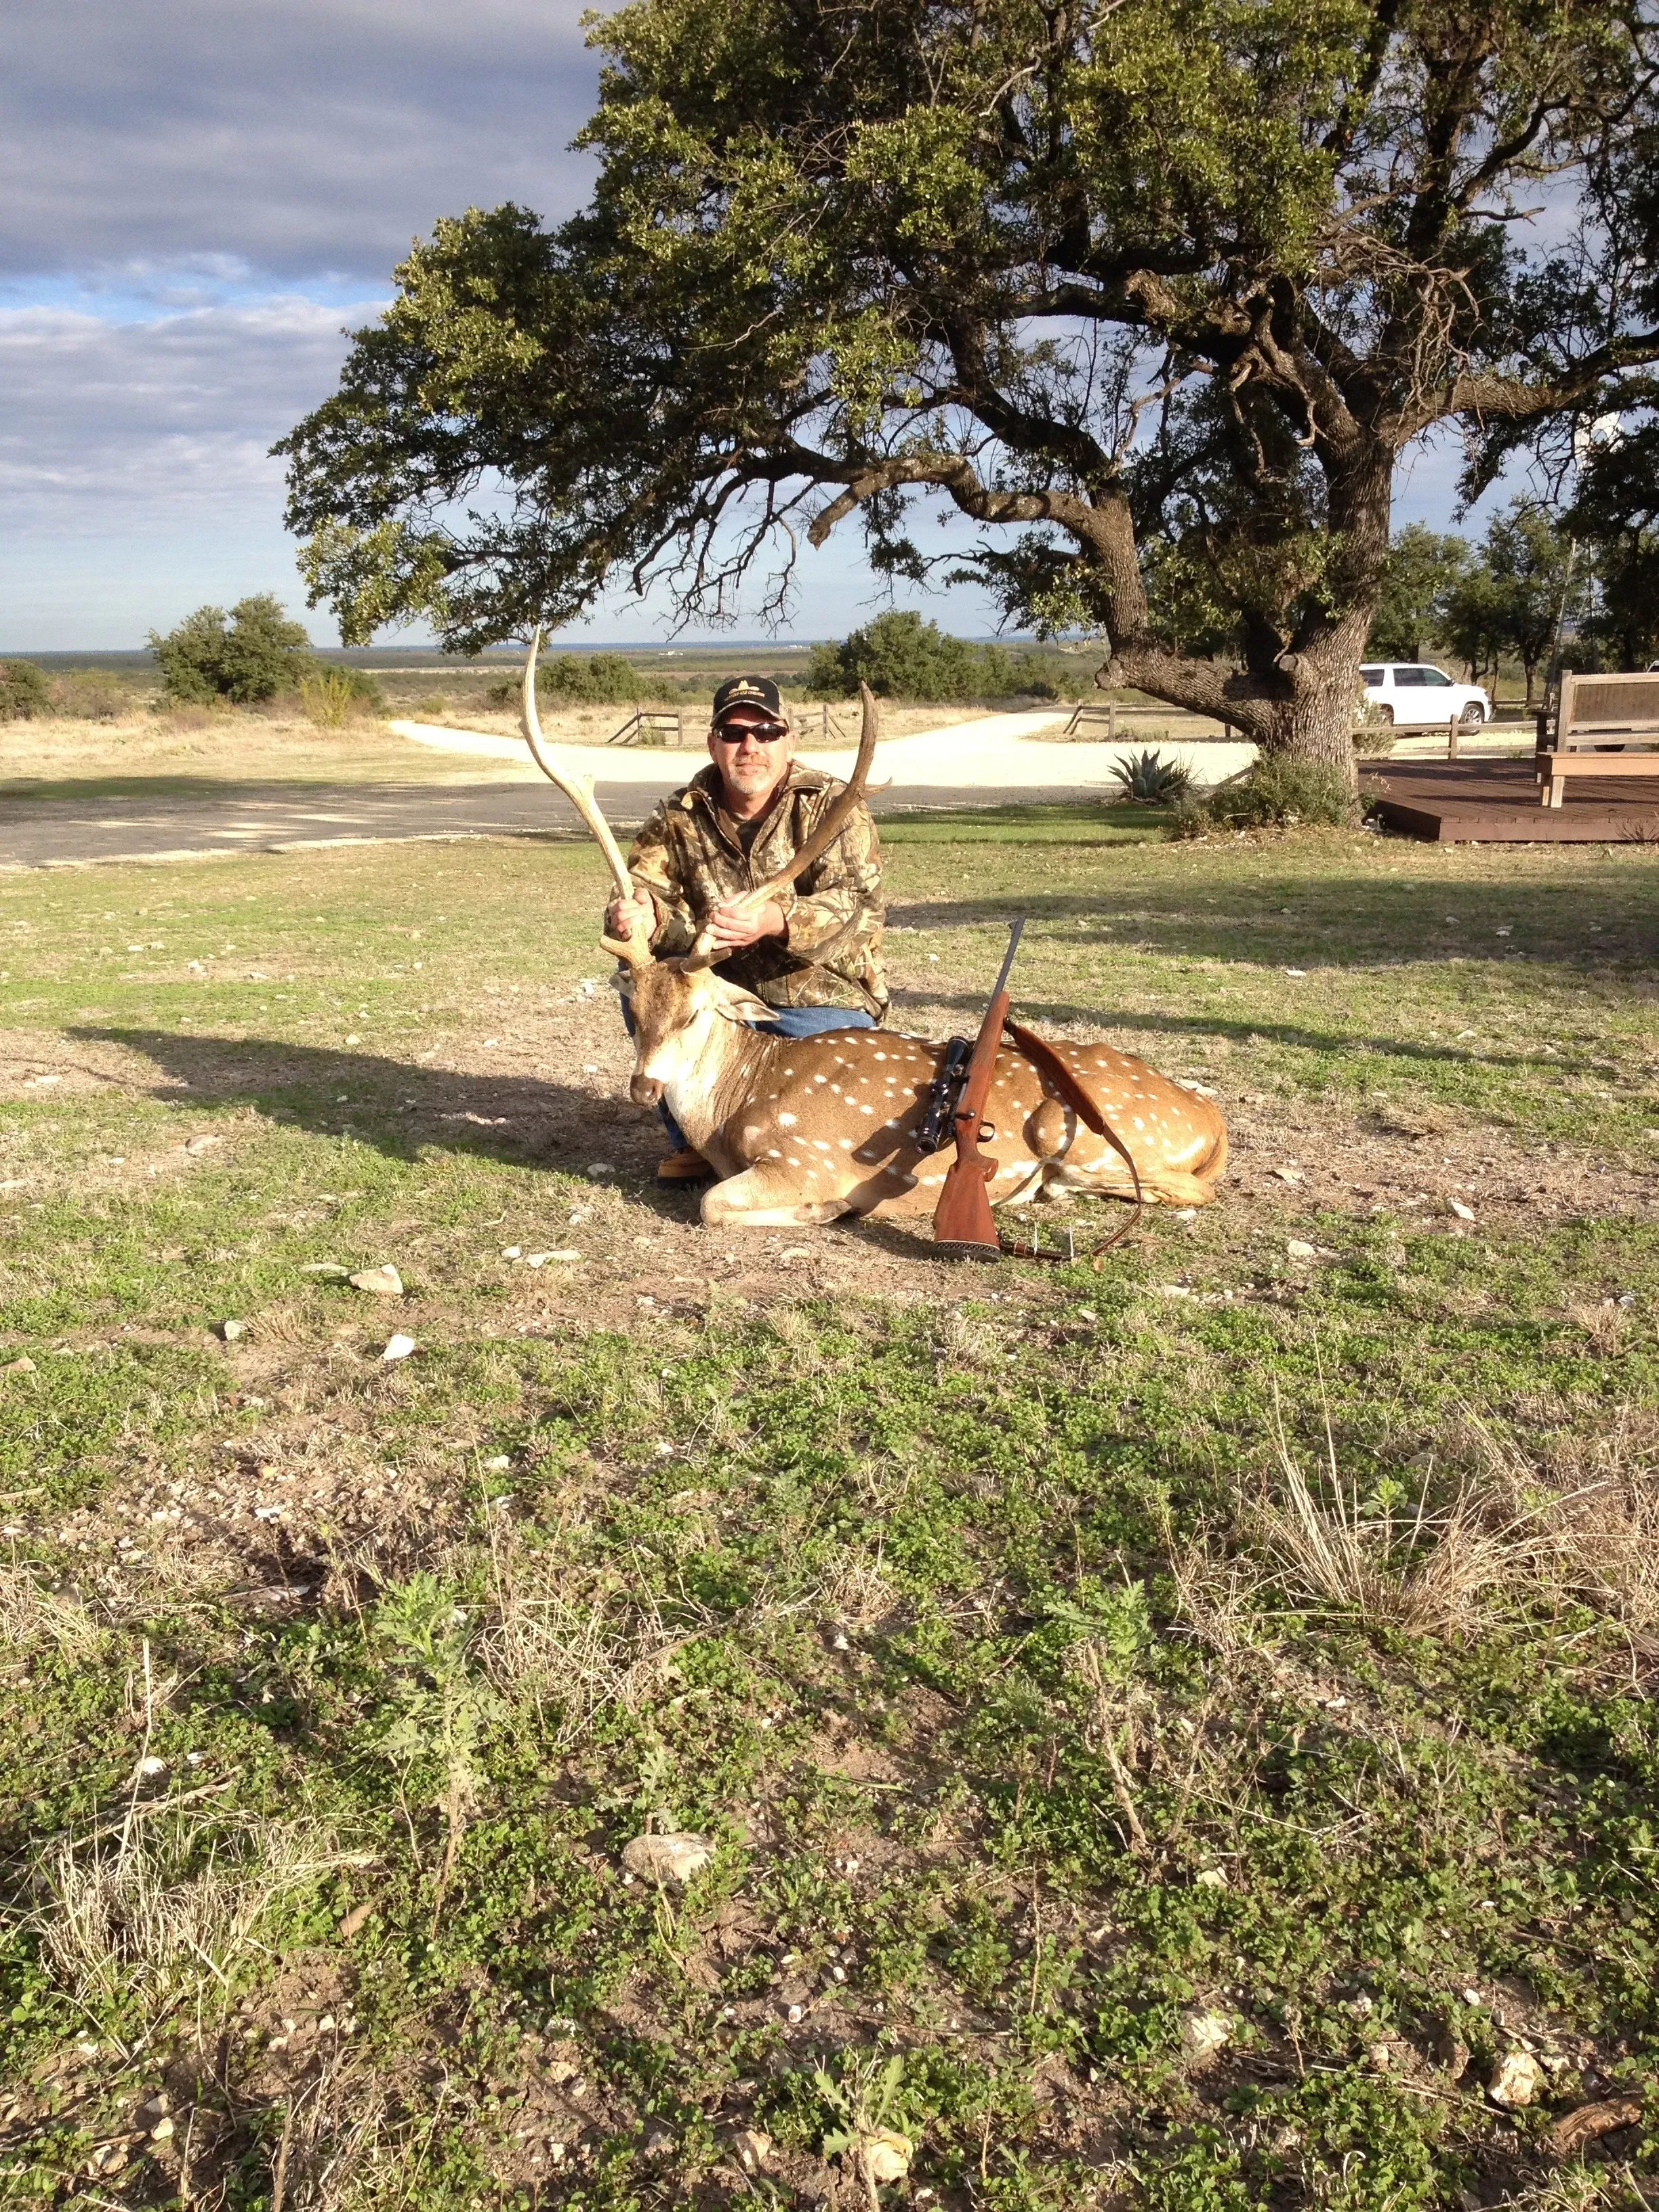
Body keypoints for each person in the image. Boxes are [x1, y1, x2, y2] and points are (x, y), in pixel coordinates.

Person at [605, 675, 886, 1181]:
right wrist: (642, 919)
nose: (750, 746)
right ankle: (695, 1141)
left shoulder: (831, 807)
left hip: (816, 1004)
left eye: (766, 731)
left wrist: (776, 920)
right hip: (715, 999)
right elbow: (643, 893)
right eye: (734, 733)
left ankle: (811, 1165)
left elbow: (862, 910)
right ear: (714, 743)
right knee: (645, 991)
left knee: (826, 1109)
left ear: (789, 741)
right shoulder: (677, 815)